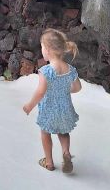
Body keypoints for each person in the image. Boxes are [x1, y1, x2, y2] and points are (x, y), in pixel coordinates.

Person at [23, 29, 82, 173]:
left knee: (45, 133)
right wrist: (64, 90)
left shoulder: (46, 71)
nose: (41, 50)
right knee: (64, 132)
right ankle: (66, 153)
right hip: (65, 110)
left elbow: (40, 92)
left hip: (49, 111)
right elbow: (77, 87)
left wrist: (30, 105)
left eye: (42, 47)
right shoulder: (70, 69)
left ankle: (49, 162)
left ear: (48, 50)